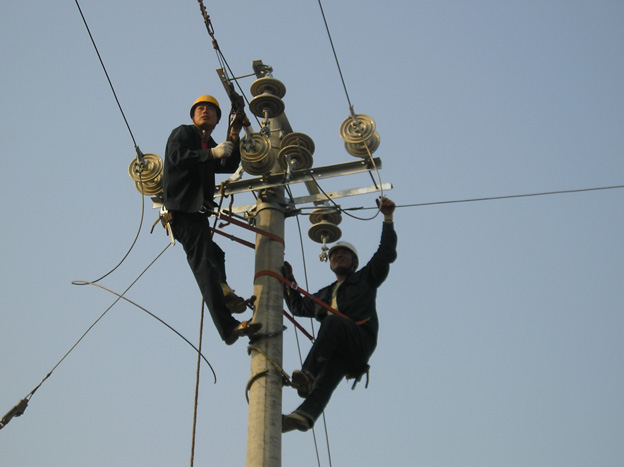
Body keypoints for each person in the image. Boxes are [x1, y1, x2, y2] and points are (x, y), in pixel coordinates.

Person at [281, 197, 398, 432]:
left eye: (344, 253)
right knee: (326, 379)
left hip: (359, 340)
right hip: (339, 351)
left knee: (333, 322)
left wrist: (387, 218)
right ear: (330, 264)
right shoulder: (324, 294)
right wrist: (287, 279)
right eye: (335, 255)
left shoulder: (365, 278)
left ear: (354, 262)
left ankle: (308, 374)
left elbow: (385, 253)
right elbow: (298, 307)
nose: (338, 256)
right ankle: (304, 416)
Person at [162, 94, 261, 345]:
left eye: (210, 109)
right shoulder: (185, 133)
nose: (204, 111)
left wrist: (234, 135)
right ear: (192, 115)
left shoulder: (206, 144)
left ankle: (223, 289)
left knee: (215, 255)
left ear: (217, 119)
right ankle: (228, 328)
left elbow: (227, 164)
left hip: (194, 214)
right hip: (182, 211)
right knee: (205, 267)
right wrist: (211, 153)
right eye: (200, 108)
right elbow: (177, 156)